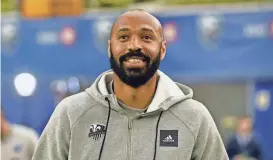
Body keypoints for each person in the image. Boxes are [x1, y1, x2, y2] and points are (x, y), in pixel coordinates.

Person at [31, 9, 228, 160]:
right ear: (110, 48)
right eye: (123, 37)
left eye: (147, 37)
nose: (134, 45)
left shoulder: (194, 117)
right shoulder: (71, 113)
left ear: (162, 50)